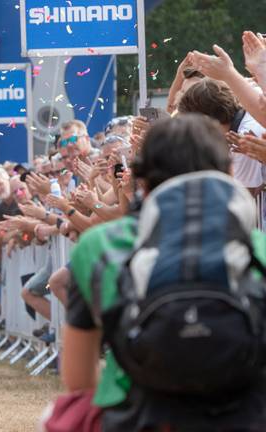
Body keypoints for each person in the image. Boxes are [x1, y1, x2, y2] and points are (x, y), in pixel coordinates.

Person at [61, 115, 266, 431]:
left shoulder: (101, 244)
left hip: (138, 415)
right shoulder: (258, 248)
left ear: (141, 180)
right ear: (228, 172)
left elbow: (79, 378)